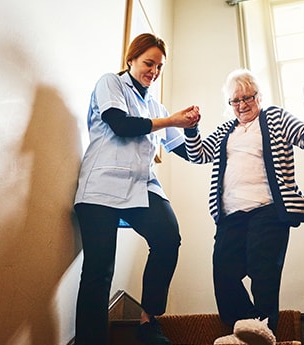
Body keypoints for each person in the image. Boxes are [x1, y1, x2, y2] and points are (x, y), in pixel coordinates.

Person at [183, 69, 304, 345]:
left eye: (247, 98)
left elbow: (298, 129)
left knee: (262, 268)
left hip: (268, 210)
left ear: (258, 96)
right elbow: (198, 155)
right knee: (223, 271)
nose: (241, 105)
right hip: (231, 215)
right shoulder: (226, 130)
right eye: (235, 100)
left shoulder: (274, 116)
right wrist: (191, 129)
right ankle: (245, 330)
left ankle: (263, 327)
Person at [73, 33, 200, 345]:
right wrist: (170, 120)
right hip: (101, 187)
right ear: (131, 59)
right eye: (148, 63)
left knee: (168, 238)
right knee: (99, 272)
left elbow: (187, 151)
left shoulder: (155, 104)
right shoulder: (111, 83)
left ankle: (148, 321)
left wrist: (192, 126)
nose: (154, 71)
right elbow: (120, 124)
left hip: (142, 187)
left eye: (159, 66)